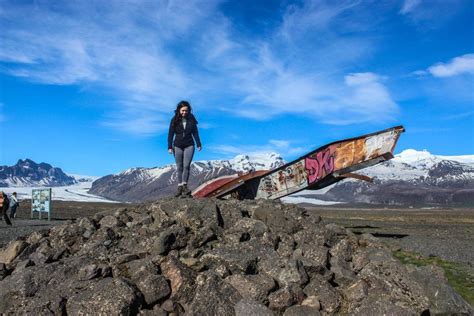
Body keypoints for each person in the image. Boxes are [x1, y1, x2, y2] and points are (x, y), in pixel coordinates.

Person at [168, 100, 202, 197]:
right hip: (177, 145)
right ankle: (180, 187)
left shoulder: (191, 119)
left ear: (189, 111)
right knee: (180, 167)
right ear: (179, 110)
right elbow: (170, 134)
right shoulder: (174, 119)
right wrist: (169, 146)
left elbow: (195, 132)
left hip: (189, 145)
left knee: (186, 166)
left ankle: (185, 185)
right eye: (182, 110)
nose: (184, 112)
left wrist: (198, 143)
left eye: (186, 111)